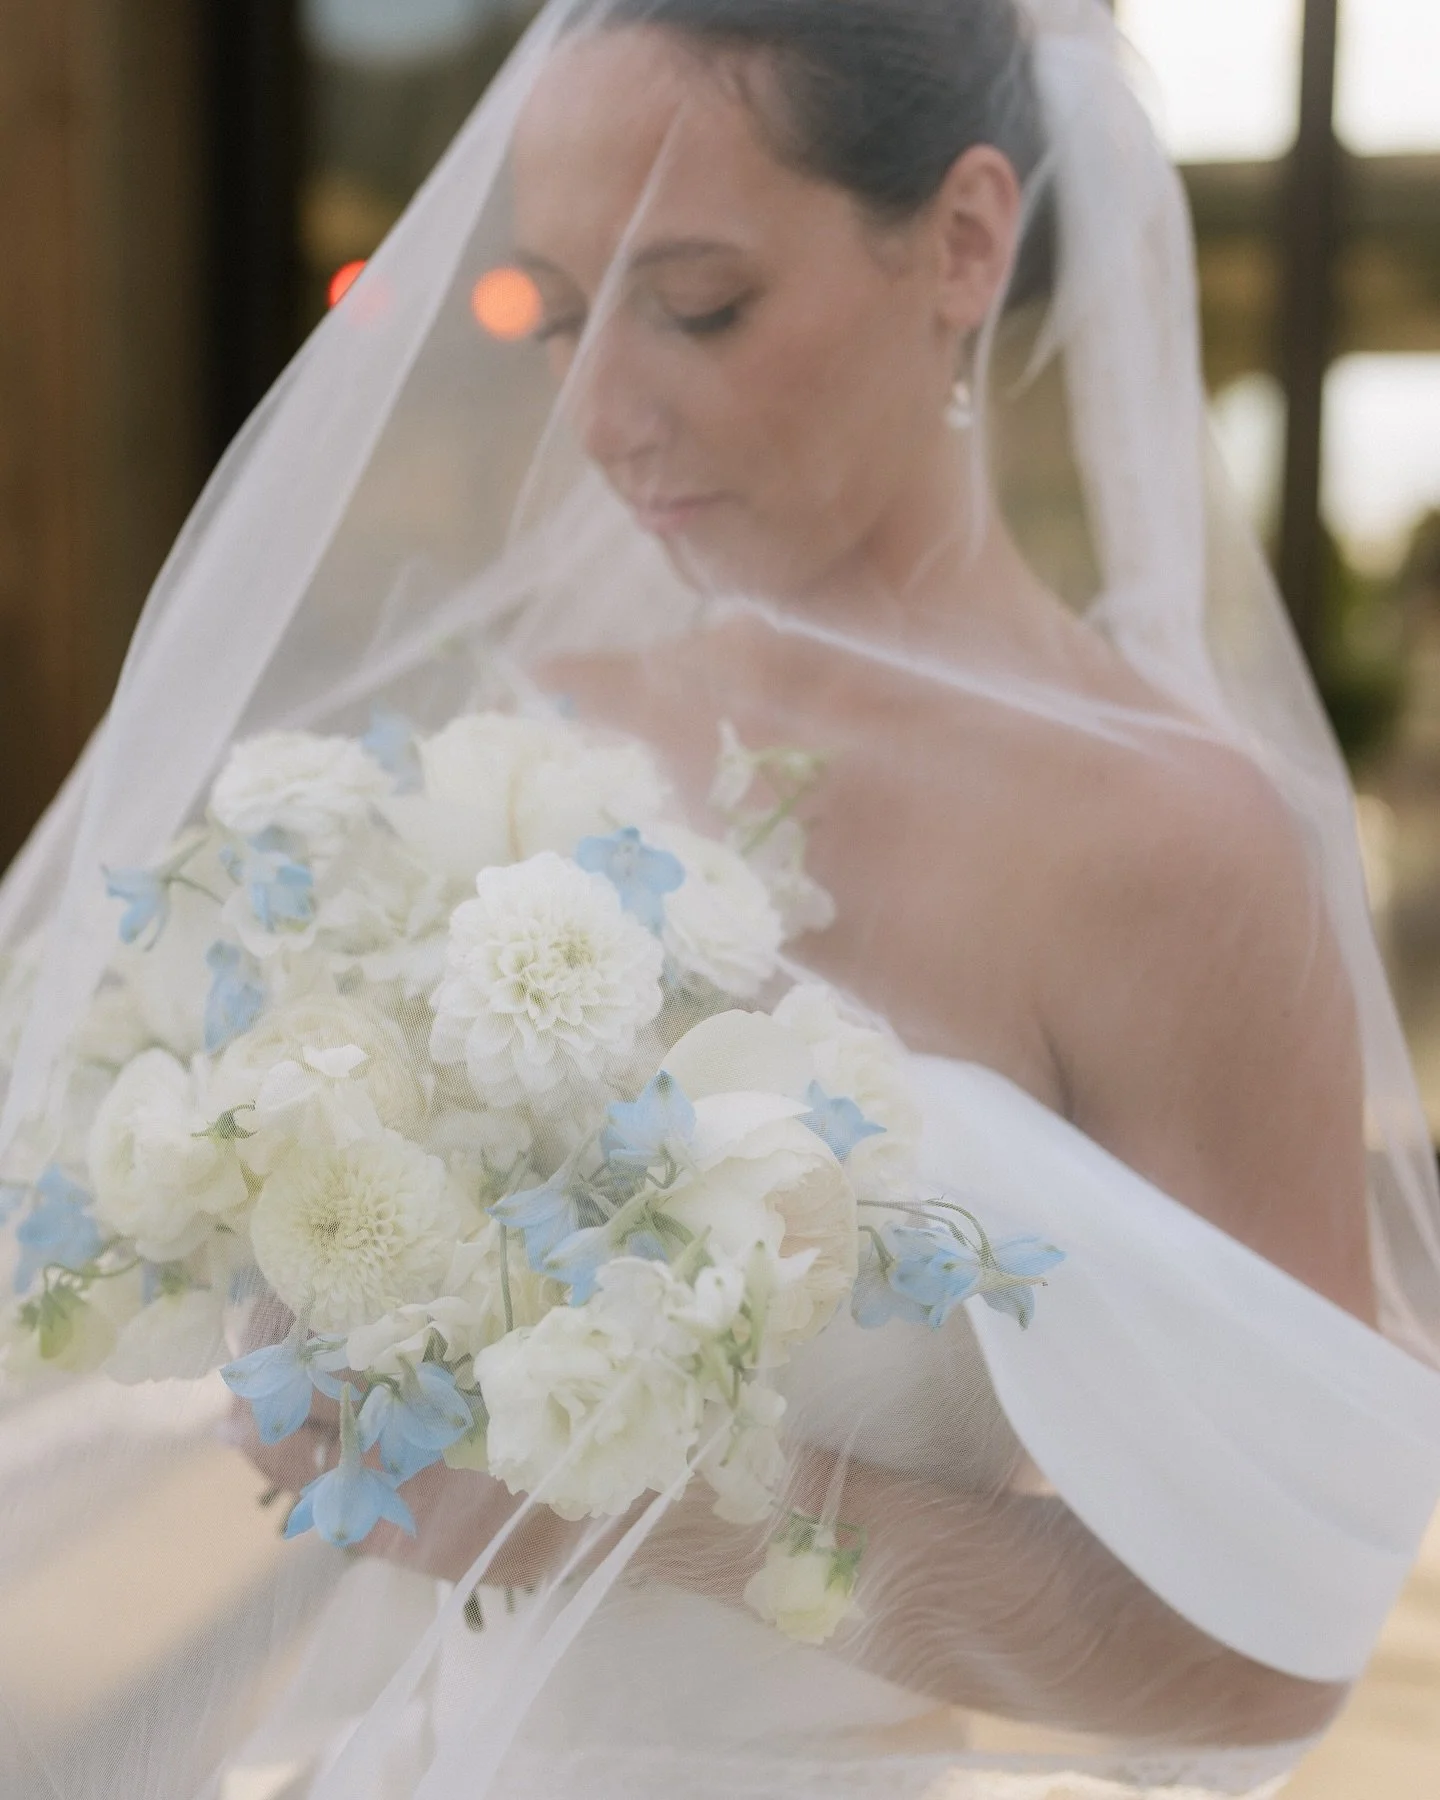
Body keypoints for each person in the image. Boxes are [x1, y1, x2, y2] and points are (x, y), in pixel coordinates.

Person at [3, 3, 1440, 1798]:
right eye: (551, 307)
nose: (600, 412)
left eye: (696, 306)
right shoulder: (547, 724)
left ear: (965, 242)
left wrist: (643, 1506)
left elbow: (1257, 1653)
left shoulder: (1168, 851)